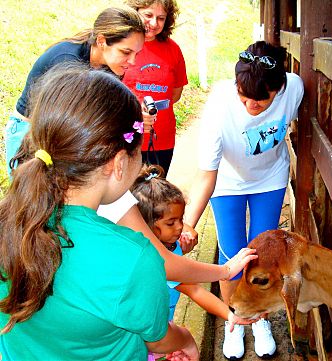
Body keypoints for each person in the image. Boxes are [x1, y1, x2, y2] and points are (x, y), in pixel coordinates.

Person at [0, 64, 198, 360]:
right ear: (119, 163)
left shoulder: (10, 220)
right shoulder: (133, 257)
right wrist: (186, 338)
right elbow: (158, 340)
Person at [184, 41, 304, 359]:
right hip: (227, 182)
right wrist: (188, 224)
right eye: (244, 96)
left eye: (260, 100)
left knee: (261, 257)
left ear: (278, 89)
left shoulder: (294, 88)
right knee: (232, 256)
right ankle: (233, 321)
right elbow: (206, 175)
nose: (250, 105)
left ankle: (259, 318)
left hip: (270, 179)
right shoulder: (220, 107)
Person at [131, 164, 257, 361]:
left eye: (181, 219)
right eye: (171, 223)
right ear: (147, 225)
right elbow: (195, 290)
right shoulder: (158, 261)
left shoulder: (170, 247)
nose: (181, 226)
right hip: (149, 337)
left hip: (160, 331)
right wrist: (230, 314)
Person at [4, 6, 146, 175]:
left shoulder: (110, 66)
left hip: (58, 135)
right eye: (126, 52)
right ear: (101, 41)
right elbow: (74, 121)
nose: (132, 61)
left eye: (136, 54)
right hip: (29, 134)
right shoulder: (68, 63)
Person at [124, 0, 188, 175]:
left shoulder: (173, 49)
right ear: (134, 11)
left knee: (156, 195)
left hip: (161, 140)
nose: (154, 23)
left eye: (161, 18)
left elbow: (175, 93)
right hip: (125, 139)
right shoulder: (121, 45)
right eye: (148, 15)